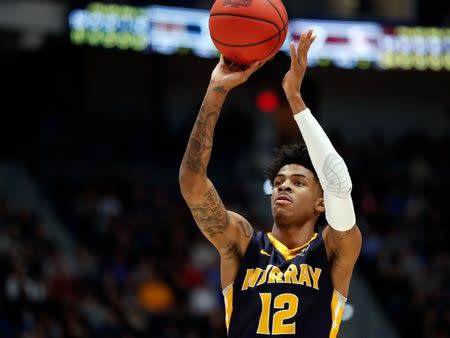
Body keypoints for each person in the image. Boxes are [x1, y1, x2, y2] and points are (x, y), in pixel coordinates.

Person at [179, 29, 362, 337]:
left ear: (321, 201)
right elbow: (191, 182)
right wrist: (216, 89)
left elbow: (338, 183)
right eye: (279, 181)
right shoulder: (241, 241)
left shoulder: (334, 248)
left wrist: (295, 100)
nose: (284, 186)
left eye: (298, 182)